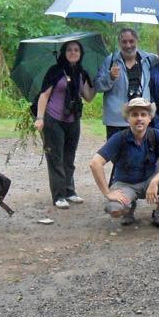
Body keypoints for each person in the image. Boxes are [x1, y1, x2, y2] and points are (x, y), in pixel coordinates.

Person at [89, 98, 159, 231]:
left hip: (150, 179)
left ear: (149, 118)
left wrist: (155, 181)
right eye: (134, 115)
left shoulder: (157, 135)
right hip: (126, 184)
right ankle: (129, 208)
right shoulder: (119, 138)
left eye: (143, 114)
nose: (139, 118)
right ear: (128, 118)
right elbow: (95, 163)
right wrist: (107, 193)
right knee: (114, 209)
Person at [33, 40, 96, 209]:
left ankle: (69, 191)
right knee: (56, 158)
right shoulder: (55, 71)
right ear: (64, 52)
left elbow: (88, 97)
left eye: (76, 50)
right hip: (53, 119)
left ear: (81, 54)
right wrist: (40, 118)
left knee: (69, 158)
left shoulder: (81, 73)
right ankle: (59, 195)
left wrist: (100, 81)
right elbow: (44, 95)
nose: (73, 52)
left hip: (73, 120)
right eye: (69, 50)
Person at [93, 27, 157, 139]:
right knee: (116, 150)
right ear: (119, 43)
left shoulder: (148, 59)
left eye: (131, 41)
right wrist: (110, 77)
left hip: (141, 118)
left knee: (140, 150)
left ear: (137, 41)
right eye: (124, 42)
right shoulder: (110, 61)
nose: (128, 45)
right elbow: (97, 86)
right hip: (116, 121)